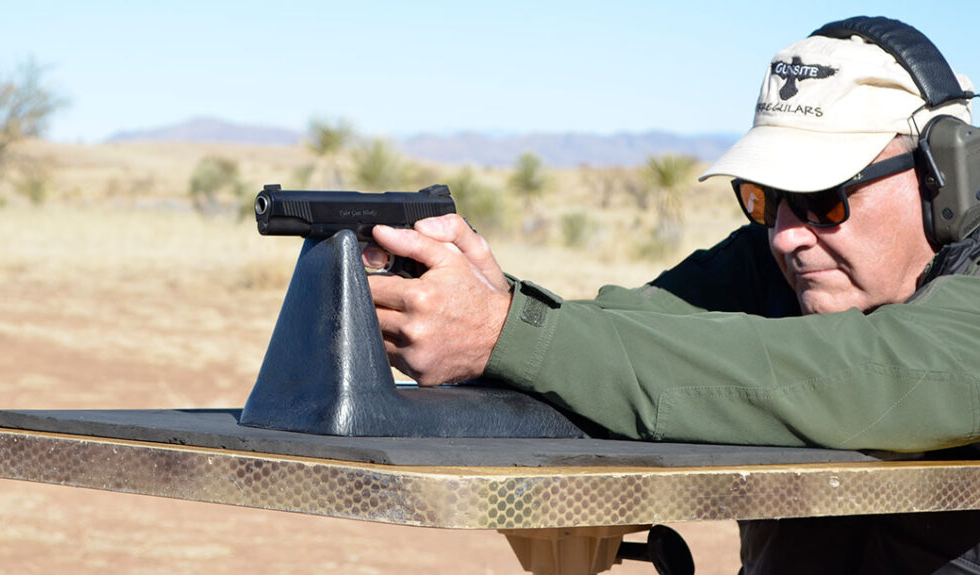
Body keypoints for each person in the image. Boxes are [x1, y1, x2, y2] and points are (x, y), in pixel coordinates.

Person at [364, 16, 980, 574]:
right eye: (766, 199)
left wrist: (510, 332)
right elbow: (629, 329)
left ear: (942, 179)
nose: (788, 235)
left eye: (824, 200)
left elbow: (869, 372)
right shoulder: (777, 263)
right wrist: (492, 303)